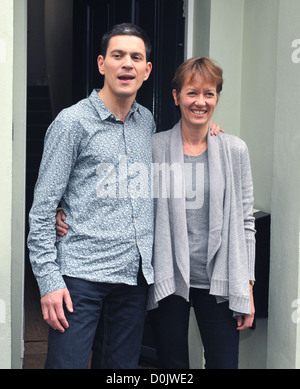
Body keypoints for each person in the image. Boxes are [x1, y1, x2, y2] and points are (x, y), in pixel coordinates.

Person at [27, 23, 155, 369]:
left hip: (132, 278)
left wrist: (211, 131)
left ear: (146, 69)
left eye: (135, 57)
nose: (127, 64)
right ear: (102, 64)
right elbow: (41, 212)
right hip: (79, 279)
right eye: (118, 55)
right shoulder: (72, 123)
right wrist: (49, 282)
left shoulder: (147, 123)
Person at [146, 57, 256, 369]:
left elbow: (247, 223)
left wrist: (247, 287)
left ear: (217, 98)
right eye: (192, 93)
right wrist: (65, 211)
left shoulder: (235, 150)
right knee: (172, 366)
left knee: (223, 363)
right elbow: (133, 203)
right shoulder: (154, 147)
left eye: (209, 93)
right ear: (176, 96)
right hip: (170, 276)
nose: (200, 102)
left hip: (219, 281)